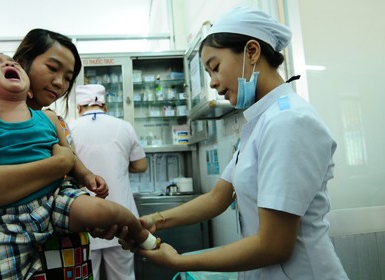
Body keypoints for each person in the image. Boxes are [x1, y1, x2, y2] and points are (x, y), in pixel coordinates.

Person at [120, 6, 349, 280]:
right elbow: (218, 198)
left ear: (252, 52)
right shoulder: (259, 123)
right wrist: (154, 221)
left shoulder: (289, 121)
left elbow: (273, 245)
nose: (214, 83)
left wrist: (180, 261)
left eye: (215, 68)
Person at [0, 52, 158, 279]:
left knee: (108, 210)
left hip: (57, 199)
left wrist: (87, 176)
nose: (9, 63)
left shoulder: (49, 118)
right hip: (8, 220)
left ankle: (141, 236)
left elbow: (70, 157)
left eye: (68, 77)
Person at [69, 84, 148, 280]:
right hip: (122, 219)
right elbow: (140, 166)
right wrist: (119, 165)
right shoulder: (124, 127)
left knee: (85, 275)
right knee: (123, 277)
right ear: (105, 106)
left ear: (79, 108)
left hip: (83, 220)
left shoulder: (69, 128)